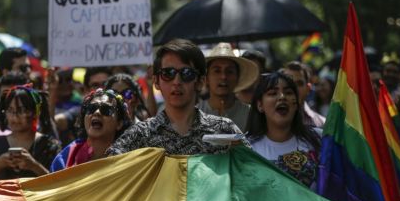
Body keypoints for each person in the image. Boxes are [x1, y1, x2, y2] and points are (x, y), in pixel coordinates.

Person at [107, 39, 249, 156]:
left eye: (186, 73)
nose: (176, 81)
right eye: (168, 73)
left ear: (200, 82)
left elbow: (253, 171)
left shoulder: (225, 129)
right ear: (156, 81)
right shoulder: (140, 134)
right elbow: (109, 170)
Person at [247, 71, 322, 190]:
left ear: (296, 103)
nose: (282, 97)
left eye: (288, 92)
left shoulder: (319, 139)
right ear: (260, 105)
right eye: (273, 93)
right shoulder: (247, 148)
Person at [0, 84, 61, 179]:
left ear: (35, 113)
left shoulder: (49, 145)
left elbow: (59, 184)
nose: (15, 116)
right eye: (10, 110)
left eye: (21, 110)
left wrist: (34, 166)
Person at [50, 89, 131, 172]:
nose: (97, 112)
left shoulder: (128, 159)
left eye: (106, 110)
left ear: (119, 124)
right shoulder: (66, 157)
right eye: (91, 108)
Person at [198, 43, 257, 131]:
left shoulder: (251, 114)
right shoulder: (194, 113)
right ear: (206, 79)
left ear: (238, 78)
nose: (223, 76)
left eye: (229, 71)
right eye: (217, 71)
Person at [283, 61, 326, 129]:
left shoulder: (322, 125)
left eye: (299, 84)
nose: (294, 88)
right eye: (289, 83)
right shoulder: (269, 123)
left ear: (308, 88)